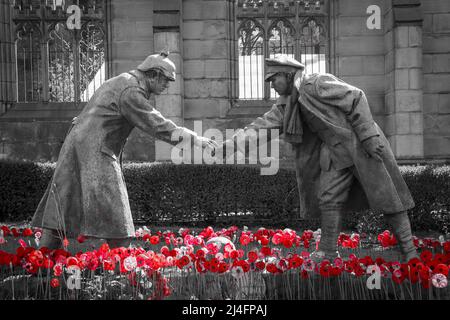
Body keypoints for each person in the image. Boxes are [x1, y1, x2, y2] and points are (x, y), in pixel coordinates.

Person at [218, 55, 418, 262]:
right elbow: (260, 127)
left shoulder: (315, 83)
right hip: (334, 153)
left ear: (286, 75)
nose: (272, 86)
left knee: (388, 197)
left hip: (361, 145)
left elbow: (356, 97)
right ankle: (329, 252)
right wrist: (230, 146)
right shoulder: (287, 105)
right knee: (329, 198)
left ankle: (410, 253)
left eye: (274, 79)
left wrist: (368, 136)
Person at [32, 52, 218, 249]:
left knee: (61, 207)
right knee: (118, 217)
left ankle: (42, 265)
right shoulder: (131, 91)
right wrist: (196, 140)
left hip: (76, 146)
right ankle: (122, 268)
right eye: (166, 80)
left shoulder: (121, 80)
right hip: (95, 150)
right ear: (153, 74)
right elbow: (157, 125)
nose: (167, 85)